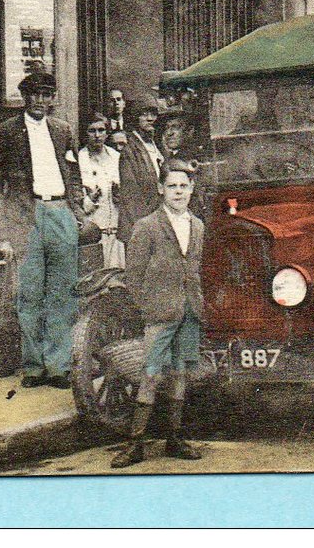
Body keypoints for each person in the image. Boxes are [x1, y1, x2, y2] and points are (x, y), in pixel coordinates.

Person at [0, 71, 85, 387]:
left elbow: (74, 175)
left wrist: (77, 211)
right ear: (24, 98)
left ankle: (58, 365)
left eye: (47, 95)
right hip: (25, 217)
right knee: (29, 293)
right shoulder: (5, 133)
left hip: (59, 212)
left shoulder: (63, 130)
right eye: (35, 95)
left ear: (53, 98)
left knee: (62, 291)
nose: (41, 101)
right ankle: (33, 367)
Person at [112, 159, 207, 467]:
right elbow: (134, 277)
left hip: (189, 310)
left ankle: (174, 439)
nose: (178, 192)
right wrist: (151, 308)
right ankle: (135, 443)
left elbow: (194, 269)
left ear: (191, 189)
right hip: (161, 313)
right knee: (151, 374)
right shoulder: (146, 226)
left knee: (180, 373)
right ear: (160, 189)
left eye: (183, 186)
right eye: (172, 186)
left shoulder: (198, 225)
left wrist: (196, 304)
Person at [78, 114, 124, 269]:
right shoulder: (78, 160)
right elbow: (74, 200)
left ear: (107, 132)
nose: (97, 135)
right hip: (92, 234)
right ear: (85, 133)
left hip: (117, 231)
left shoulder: (117, 158)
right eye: (92, 131)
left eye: (101, 130)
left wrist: (120, 195)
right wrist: (89, 199)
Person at [116, 101, 162, 243]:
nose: (150, 118)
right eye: (144, 114)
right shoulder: (129, 149)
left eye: (153, 114)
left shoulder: (156, 144)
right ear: (135, 117)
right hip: (140, 224)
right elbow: (131, 195)